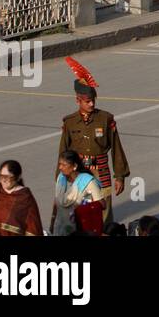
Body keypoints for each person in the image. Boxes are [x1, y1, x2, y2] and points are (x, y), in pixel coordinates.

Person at [57, 58, 128, 224]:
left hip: (101, 171)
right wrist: (60, 178)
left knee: (104, 211)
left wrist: (120, 176)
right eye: (87, 101)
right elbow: (63, 152)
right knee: (79, 211)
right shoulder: (70, 122)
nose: (91, 104)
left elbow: (117, 149)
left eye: (93, 101)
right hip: (78, 172)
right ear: (78, 101)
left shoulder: (105, 119)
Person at [0, 160, 44, 236]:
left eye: (7, 177)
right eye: (1, 176)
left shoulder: (25, 197)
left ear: (17, 177)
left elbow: (33, 226)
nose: (3, 180)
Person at [49, 149, 104, 236]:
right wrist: (52, 222)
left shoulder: (88, 181)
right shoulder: (61, 178)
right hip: (60, 228)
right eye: (59, 164)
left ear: (74, 166)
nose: (60, 167)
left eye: (64, 165)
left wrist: (84, 205)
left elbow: (102, 204)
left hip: (80, 230)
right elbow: (56, 201)